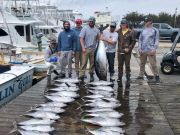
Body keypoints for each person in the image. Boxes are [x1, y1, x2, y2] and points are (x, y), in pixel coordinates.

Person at [137, 17, 160, 83]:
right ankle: (141, 75)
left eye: (146, 21)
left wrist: (154, 49)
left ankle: (157, 76)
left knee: (153, 64)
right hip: (143, 50)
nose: (145, 22)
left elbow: (157, 40)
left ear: (150, 22)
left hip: (151, 50)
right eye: (145, 21)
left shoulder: (155, 30)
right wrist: (139, 49)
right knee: (142, 63)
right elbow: (140, 40)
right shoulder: (143, 30)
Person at [79, 16, 100, 82]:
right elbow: (81, 39)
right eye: (90, 21)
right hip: (86, 48)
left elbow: (99, 39)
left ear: (94, 22)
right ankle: (81, 75)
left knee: (92, 63)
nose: (91, 22)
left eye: (92, 21)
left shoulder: (97, 30)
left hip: (93, 49)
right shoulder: (84, 29)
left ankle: (91, 75)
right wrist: (83, 48)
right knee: (84, 63)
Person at [117, 19, 136, 87]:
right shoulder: (118, 31)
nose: (123, 25)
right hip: (120, 51)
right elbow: (109, 31)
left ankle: (128, 77)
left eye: (124, 24)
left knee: (127, 65)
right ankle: (119, 77)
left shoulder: (131, 32)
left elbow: (133, 41)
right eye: (122, 24)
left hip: (127, 52)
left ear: (126, 24)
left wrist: (129, 48)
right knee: (120, 65)